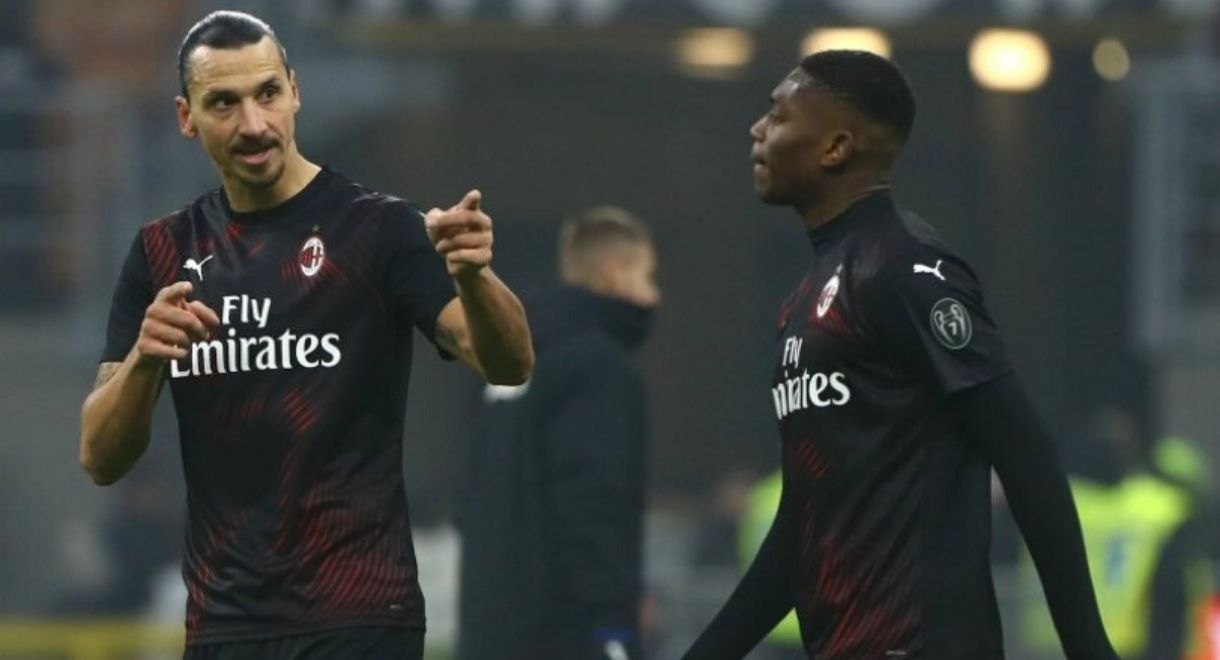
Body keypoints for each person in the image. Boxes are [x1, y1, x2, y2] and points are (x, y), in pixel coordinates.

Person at [78, 11, 533, 660]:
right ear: (186, 117)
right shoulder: (161, 251)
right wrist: (144, 361)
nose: (253, 123)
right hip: (227, 624)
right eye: (224, 103)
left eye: (267, 93)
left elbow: (510, 364)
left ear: (295, 91)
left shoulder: (379, 230)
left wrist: (476, 279)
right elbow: (100, 459)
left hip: (361, 617)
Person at [681, 50, 1117, 659]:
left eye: (777, 116)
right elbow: (804, 522)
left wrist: (1088, 648)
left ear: (836, 147)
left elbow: (1025, 456)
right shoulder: (805, 300)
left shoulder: (904, 268)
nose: (757, 130)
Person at [457, 206, 660, 660]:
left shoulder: (502, 358)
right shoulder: (599, 363)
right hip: (567, 630)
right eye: (648, 276)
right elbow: (597, 498)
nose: (654, 294)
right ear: (614, 272)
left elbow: (471, 497)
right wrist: (612, 621)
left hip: (490, 627)